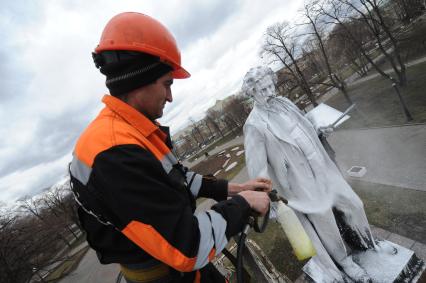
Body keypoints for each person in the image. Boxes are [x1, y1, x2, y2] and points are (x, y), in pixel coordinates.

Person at [69, 13, 271, 283]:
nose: (170, 96)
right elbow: (189, 247)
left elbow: (176, 177)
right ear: (138, 79)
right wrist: (243, 205)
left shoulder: (131, 133)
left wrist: (231, 189)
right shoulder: (113, 152)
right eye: (167, 84)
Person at [242, 66, 375, 282]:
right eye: (263, 89)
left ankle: (365, 241)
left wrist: (320, 131)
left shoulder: (284, 102)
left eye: (270, 86)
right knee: (327, 227)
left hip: (322, 167)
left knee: (354, 204)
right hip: (301, 183)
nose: (270, 92)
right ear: (252, 92)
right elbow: (257, 170)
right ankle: (346, 263)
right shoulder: (254, 125)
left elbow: (304, 126)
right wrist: (270, 201)